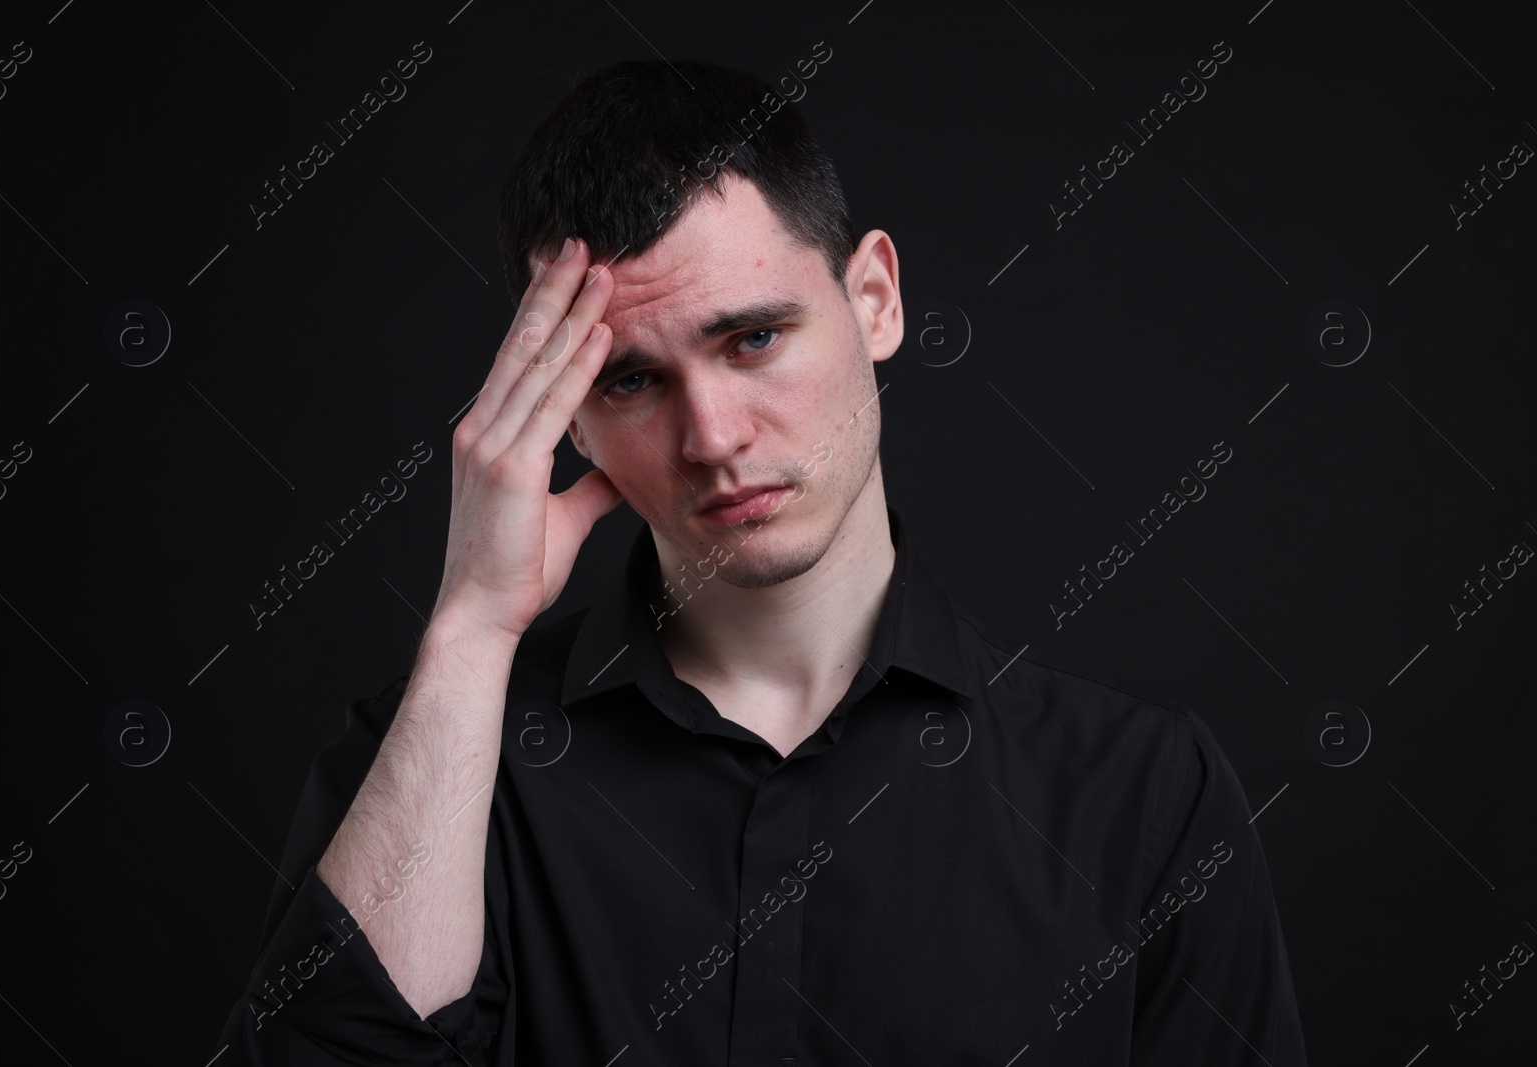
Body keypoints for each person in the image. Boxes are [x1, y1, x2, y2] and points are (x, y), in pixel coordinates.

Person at [214, 57, 1308, 1065]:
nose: (713, 436)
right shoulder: (440, 761)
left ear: (872, 300)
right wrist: (469, 630)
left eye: (752, 339)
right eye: (630, 381)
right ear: (565, 417)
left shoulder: (1144, 796)